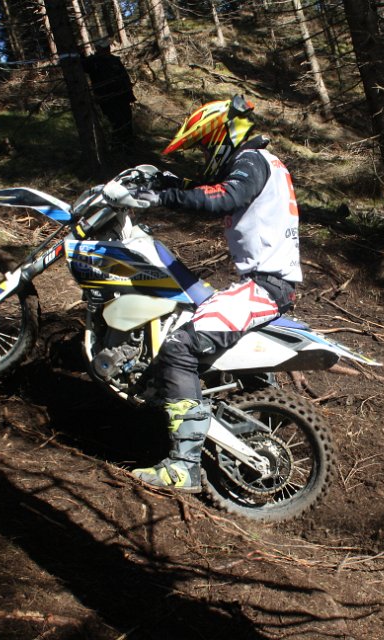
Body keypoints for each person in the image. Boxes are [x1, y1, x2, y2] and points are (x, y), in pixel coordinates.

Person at [107, 95, 302, 492]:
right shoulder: (258, 163)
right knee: (186, 312)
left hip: (266, 286)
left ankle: (184, 466)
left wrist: (162, 197)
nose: (206, 155)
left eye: (205, 147)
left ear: (221, 137)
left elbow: (225, 197)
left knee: (180, 346)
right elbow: (214, 189)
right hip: (263, 283)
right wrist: (169, 182)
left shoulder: (252, 161)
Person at [81, 43, 136, 146]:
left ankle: (129, 143)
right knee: (115, 121)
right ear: (98, 48)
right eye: (104, 47)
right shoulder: (93, 62)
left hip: (122, 97)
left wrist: (130, 95)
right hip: (107, 99)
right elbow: (82, 66)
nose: (107, 49)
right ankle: (118, 145)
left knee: (127, 120)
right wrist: (79, 54)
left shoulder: (114, 60)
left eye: (107, 47)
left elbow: (124, 77)